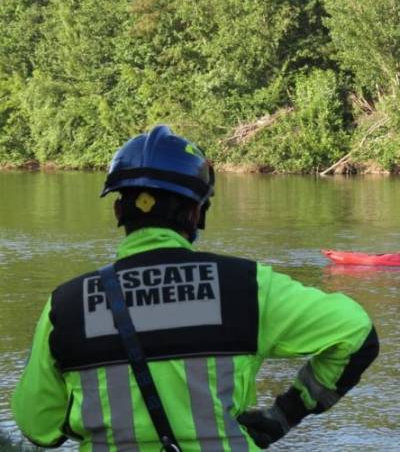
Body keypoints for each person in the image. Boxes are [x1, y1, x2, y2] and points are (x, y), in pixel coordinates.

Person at [12, 125, 379, 451]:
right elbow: (355, 331)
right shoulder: (247, 287)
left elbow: (38, 427)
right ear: (195, 214)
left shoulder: (66, 306)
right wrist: (285, 414)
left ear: (119, 212)